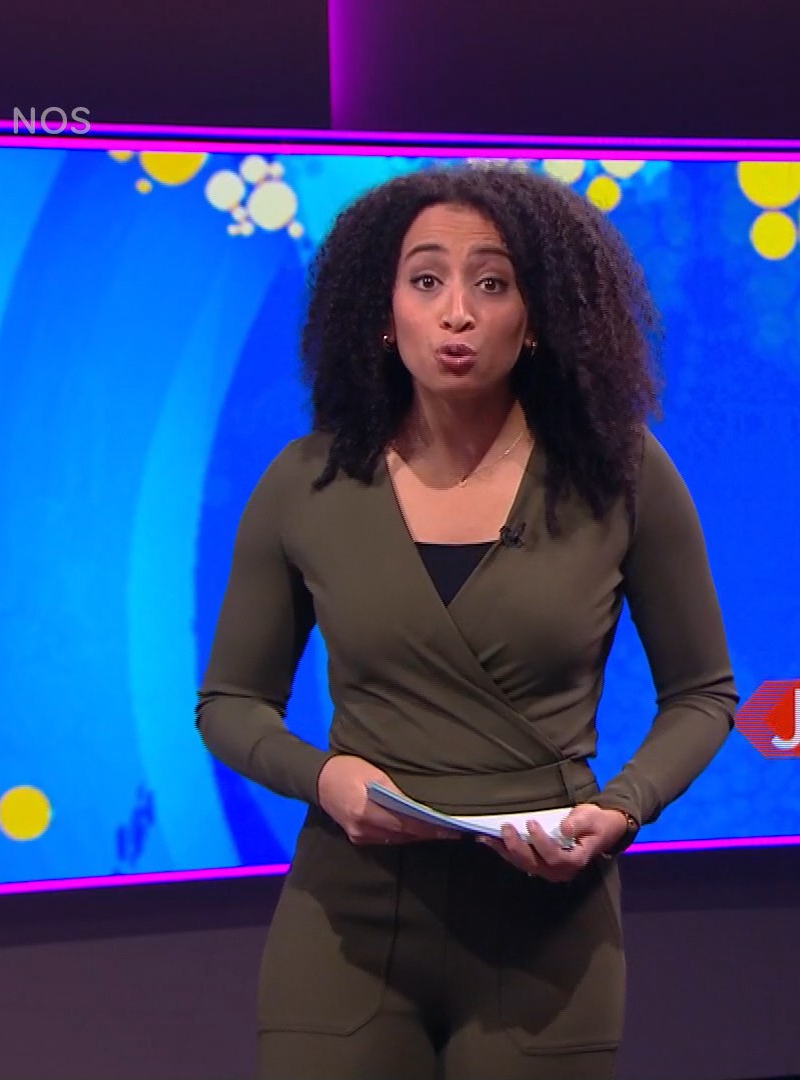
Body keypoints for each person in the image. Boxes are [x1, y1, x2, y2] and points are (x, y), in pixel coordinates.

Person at [195, 163, 738, 1079]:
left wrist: (620, 809)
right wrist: (323, 779)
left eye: (492, 284)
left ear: (536, 318)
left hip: (546, 925)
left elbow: (703, 694)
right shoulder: (305, 483)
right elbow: (230, 704)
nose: (457, 313)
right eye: (426, 281)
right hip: (348, 922)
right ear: (383, 312)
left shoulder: (620, 475)